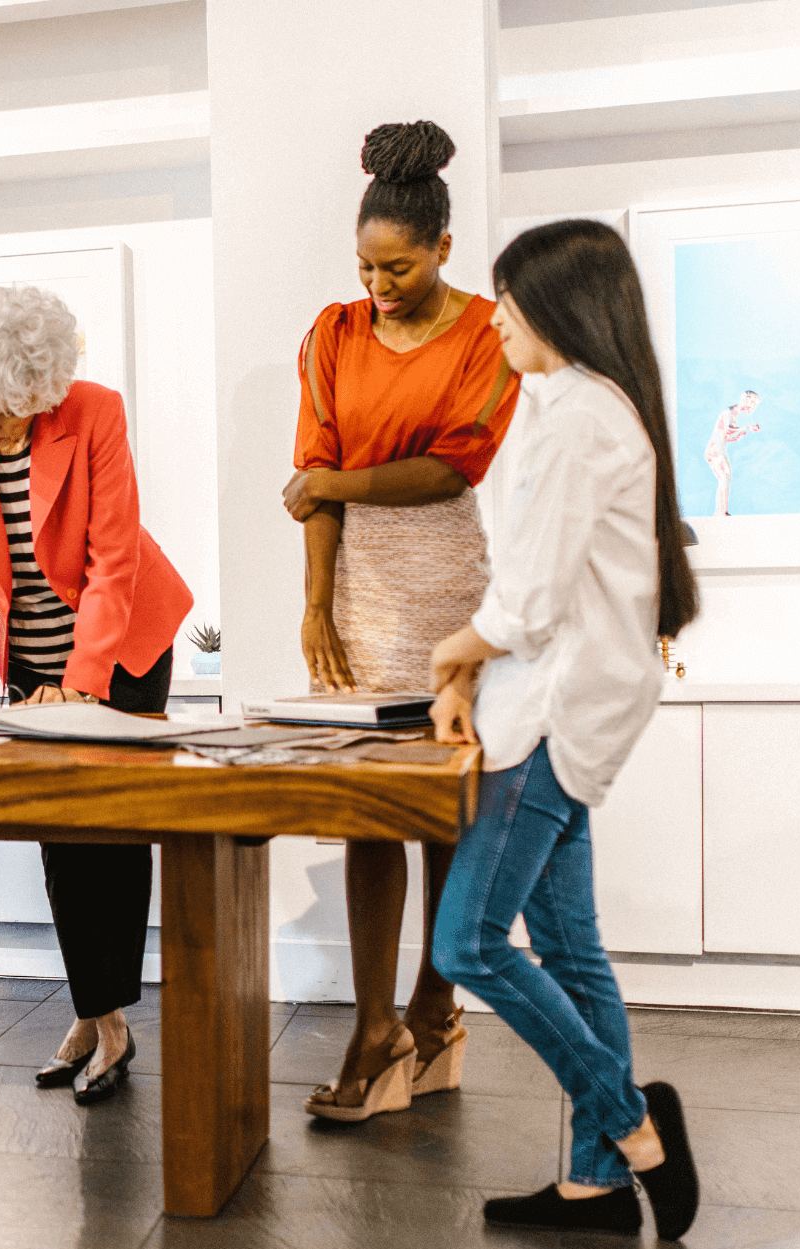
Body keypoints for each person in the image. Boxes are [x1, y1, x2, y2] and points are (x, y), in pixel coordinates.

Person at [427, 219, 702, 1240]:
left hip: (550, 713)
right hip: (557, 707)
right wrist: (472, 668)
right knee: (573, 952)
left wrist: (449, 657)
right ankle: (593, 1187)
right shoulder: (571, 407)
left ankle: (631, 1127)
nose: (494, 317)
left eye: (510, 300)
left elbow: (529, 600)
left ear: (559, 310)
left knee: (465, 943)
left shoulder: (585, 415)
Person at [279, 121, 521, 1123]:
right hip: (362, 592)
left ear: (444, 251)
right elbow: (313, 486)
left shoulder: (482, 334)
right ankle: (375, 1026)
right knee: (362, 809)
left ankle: (436, 1007)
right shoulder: (333, 334)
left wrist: (328, 479)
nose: (380, 285)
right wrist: (313, 602)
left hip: (450, 582)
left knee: (441, 811)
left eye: (400, 266)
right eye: (367, 266)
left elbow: (451, 469)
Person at [0, 284, 193, 1106]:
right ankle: (93, 1012)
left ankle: (108, 1022)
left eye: (9, 413)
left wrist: (80, 690)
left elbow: (114, 564)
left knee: (112, 830)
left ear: (43, 397)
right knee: (56, 834)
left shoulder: (95, 413)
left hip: (123, 650)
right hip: (26, 660)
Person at [706, 390, 761, 516]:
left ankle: (722, 511)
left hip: (717, 448)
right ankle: (720, 512)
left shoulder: (733, 414)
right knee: (725, 478)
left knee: (725, 478)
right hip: (715, 450)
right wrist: (747, 427)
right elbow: (728, 430)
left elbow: (724, 435)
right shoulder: (728, 413)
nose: (753, 406)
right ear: (746, 400)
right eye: (752, 402)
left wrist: (737, 437)